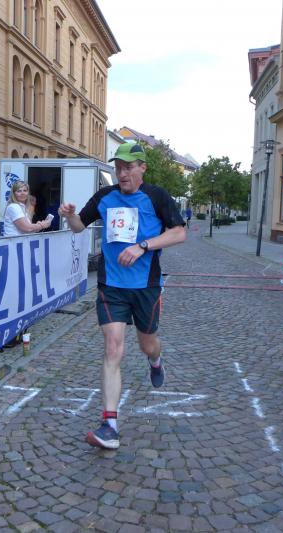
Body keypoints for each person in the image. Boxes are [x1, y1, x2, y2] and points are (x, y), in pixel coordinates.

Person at [58, 142, 186, 450]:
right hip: (111, 286)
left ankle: (156, 360)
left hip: (145, 286)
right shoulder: (105, 196)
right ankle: (109, 426)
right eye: (118, 168)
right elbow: (79, 227)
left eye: (128, 167)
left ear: (142, 168)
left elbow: (179, 232)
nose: (122, 173)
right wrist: (70, 215)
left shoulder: (157, 196)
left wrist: (143, 246)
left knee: (147, 343)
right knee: (112, 347)